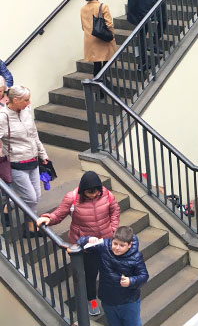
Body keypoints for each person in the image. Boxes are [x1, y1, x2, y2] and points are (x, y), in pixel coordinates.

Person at [36, 171, 120, 316]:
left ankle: (108, 296)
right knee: (90, 274)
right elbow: (58, 214)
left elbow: (115, 211)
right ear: (83, 190)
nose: (93, 195)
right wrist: (48, 218)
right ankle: (91, 299)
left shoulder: (106, 194)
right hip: (86, 246)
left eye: (96, 192)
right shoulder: (72, 198)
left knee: (107, 270)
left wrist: (112, 229)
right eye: (90, 192)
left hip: (105, 242)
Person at [0, 86, 48, 236]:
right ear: (15, 100)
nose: (29, 102)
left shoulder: (26, 112)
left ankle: (7, 206)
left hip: (33, 161)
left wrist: (43, 154)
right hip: (16, 164)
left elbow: (34, 135)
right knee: (31, 198)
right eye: (26, 100)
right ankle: (31, 226)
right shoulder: (3, 116)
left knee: (36, 196)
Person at [77, 226, 148, 326]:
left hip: (128, 302)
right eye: (115, 244)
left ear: (129, 245)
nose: (117, 248)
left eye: (121, 245)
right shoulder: (104, 246)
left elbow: (144, 276)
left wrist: (131, 281)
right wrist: (88, 239)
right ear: (112, 240)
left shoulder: (136, 257)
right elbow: (80, 243)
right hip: (108, 300)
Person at [78, 0, 115, 79]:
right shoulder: (103, 6)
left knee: (97, 64)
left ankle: (98, 84)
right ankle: (104, 82)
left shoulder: (83, 9)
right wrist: (111, 36)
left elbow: (83, 26)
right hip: (102, 39)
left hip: (90, 40)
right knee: (107, 62)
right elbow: (109, 24)